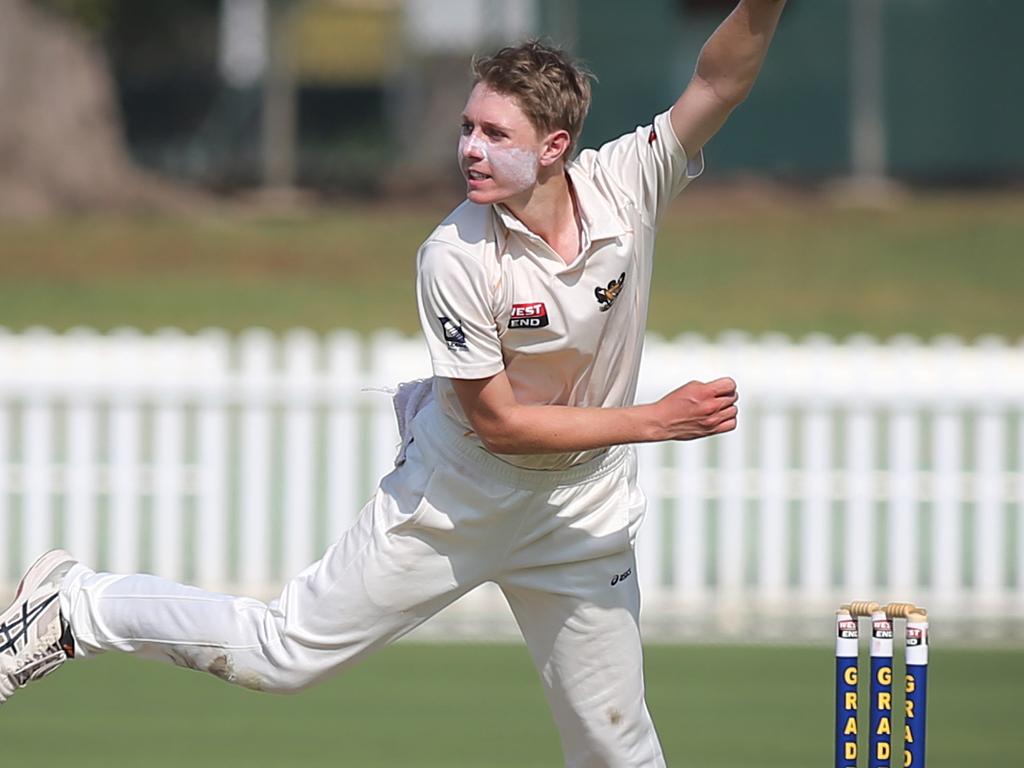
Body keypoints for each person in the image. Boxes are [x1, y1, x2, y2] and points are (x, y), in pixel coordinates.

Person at [0, 2, 787, 764]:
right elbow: (501, 425)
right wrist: (656, 421)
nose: (470, 150)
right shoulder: (454, 255)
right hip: (460, 495)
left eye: (493, 133)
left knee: (619, 747)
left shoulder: (626, 184)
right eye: (466, 129)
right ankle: (79, 605)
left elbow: (719, 83)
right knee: (283, 656)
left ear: (554, 146)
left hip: (580, 509)